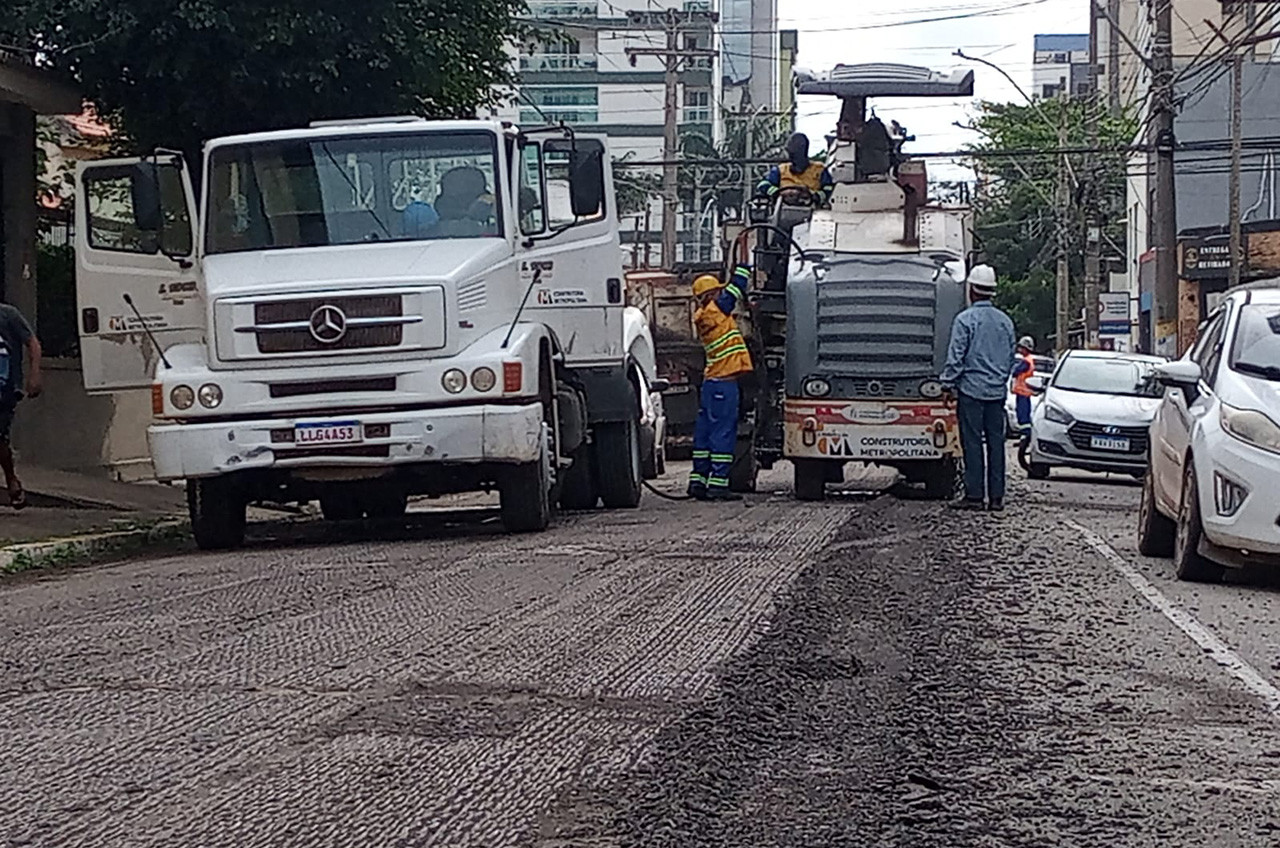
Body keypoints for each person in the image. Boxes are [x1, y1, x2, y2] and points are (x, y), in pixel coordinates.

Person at [939, 265, 1016, 512]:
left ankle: (974, 495)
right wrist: (999, 380)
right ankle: (996, 498)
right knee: (996, 444)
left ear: (971, 290)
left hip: (971, 392)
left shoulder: (965, 320)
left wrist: (947, 384)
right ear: (992, 291)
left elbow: (956, 356)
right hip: (996, 393)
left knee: (972, 443)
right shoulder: (1005, 322)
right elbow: (1010, 357)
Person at [688, 265, 754, 502]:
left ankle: (699, 481)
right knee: (723, 433)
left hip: (711, 384)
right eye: (716, 291)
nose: (719, 294)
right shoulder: (714, 312)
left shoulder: (705, 316)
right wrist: (743, 271)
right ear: (709, 296)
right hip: (724, 385)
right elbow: (734, 292)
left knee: (704, 434)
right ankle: (718, 485)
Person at [0, 301, 42, 510]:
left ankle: (11, 479)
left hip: (5, 388)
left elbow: (32, 342)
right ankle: (12, 481)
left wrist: (34, 375)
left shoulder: (8, 315)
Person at [755, 132, 834, 207]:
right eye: (791, 155)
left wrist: (815, 196)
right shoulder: (780, 170)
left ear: (804, 152)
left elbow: (829, 188)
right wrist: (777, 192)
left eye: (796, 155)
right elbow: (763, 184)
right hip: (782, 210)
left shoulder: (819, 170)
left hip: (813, 212)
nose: (792, 159)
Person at [1011, 335, 1038, 437]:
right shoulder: (1028, 359)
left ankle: (1025, 437)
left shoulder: (1026, 361)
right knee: (1023, 414)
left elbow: (1015, 371)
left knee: (1023, 416)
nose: (1019, 349)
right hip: (1024, 392)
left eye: (1021, 347)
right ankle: (1024, 437)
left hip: (1023, 392)